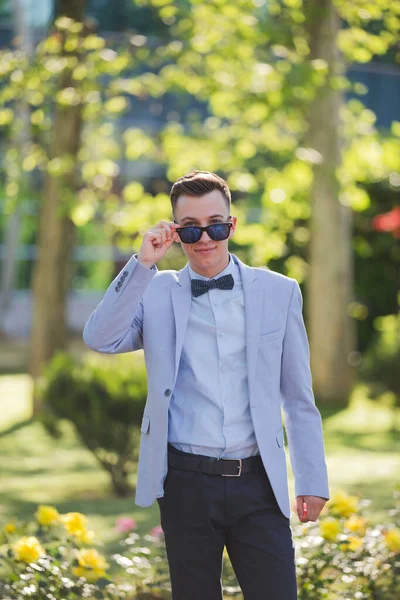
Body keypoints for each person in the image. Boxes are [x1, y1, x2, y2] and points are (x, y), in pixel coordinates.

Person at [83, 170, 329, 600]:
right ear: (176, 232)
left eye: (215, 225)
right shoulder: (155, 292)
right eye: (190, 228)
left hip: (259, 482)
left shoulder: (279, 291)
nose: (205, 238)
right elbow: (100, 338)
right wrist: (141, 265)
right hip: (185, 482)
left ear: (231, 226)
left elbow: (298, 395)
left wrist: (312, 477)